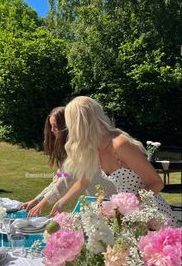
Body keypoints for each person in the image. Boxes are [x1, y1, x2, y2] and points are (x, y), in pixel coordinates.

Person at [51, 96, 177, 225]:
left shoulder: (120, 145)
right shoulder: (95, 149)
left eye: (70, 124)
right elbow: (83, 182)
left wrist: (125, 208)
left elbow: (156, 183)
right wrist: (61, 202)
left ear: (79, 125)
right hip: (129, 218)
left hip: (154, 215)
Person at [21, 105, 116, 216]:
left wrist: (43, 203)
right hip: (96, 199)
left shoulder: (80, 148)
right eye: (51, 126)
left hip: (110, 198)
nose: (52, 131)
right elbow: (59, 179)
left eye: (55, 126)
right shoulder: (67, 151)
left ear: (66, 127)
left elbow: (66, 181)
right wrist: (37, 200)